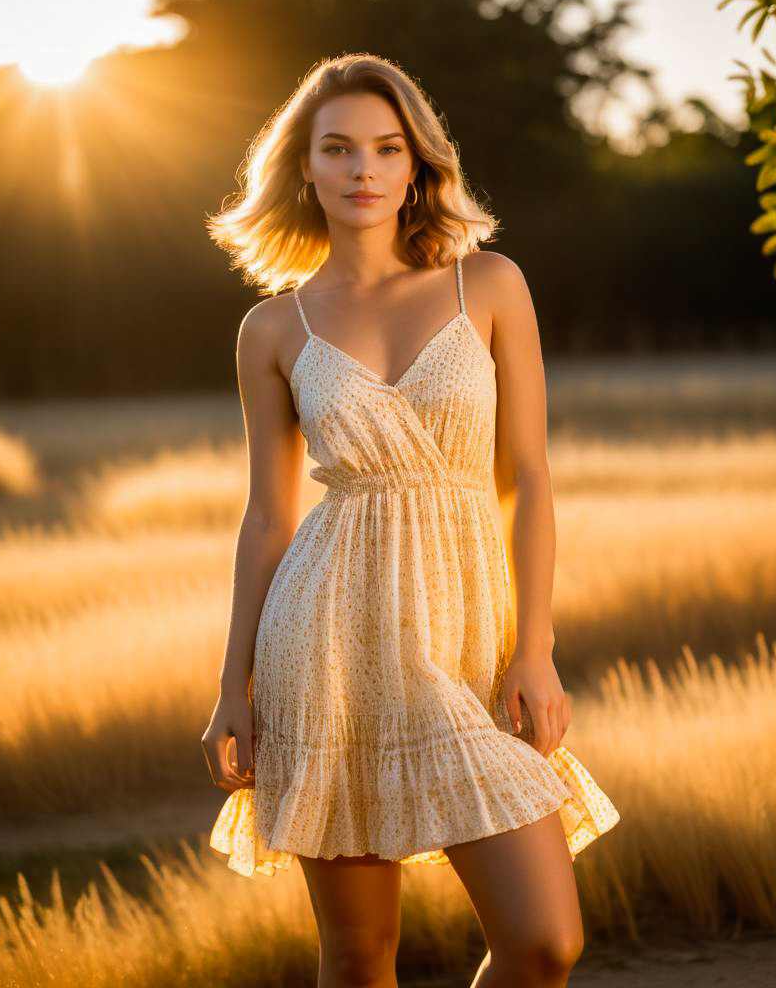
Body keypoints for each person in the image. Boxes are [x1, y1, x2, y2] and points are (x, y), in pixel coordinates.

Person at [200, 52, 619, 988]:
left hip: (470, 638)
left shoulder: (492, 285)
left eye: (387, 149)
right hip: (327, 643)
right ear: (302, 168)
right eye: (338, 149)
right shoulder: (273, 330)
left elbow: (531, 477)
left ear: (419, 166)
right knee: (357, 957)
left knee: (545, 940)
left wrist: (536, 647)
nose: (362, 170)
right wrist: (236, 686)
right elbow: (268, 518)